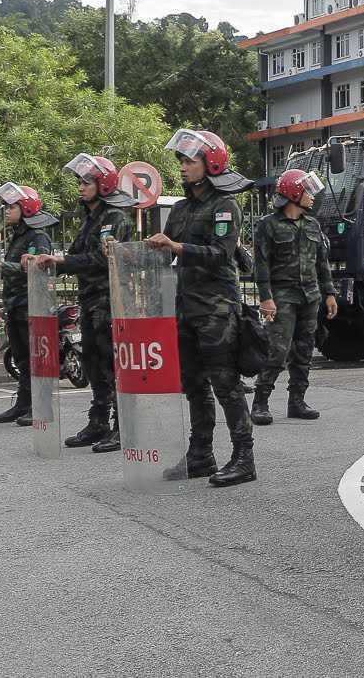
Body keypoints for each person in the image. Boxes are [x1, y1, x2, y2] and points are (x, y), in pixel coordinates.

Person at [147, 129, 256, 488]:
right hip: (186, 307)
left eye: (189, 160)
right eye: (180, 159)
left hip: (216, 309)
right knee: (193, 384)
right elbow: (167, 251)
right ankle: (201, 455)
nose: (182, 166)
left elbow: (220, 254)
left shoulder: (224, 205)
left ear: (210, 163)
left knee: (226, 384)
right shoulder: (179, 208)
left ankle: (243, 458)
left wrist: (176, 247)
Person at [31, 154, 134, 452]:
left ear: (103, 185)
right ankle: (98, 421)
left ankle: (121, 426)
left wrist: (63, 260)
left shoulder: (115, 218)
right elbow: (75, 255)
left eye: (86, 181)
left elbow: (105, 258)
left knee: (111, 363)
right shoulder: (90, 219)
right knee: (92, 361)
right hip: (90, 298)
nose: (80, 186)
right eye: (79, 181)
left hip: (110, 299)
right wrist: (48, 261)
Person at [251, 168, 339, 426]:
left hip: (310, 296)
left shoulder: (313, 224)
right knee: (277, 350)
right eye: (307, 192)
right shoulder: (268, 226)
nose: (312, 197)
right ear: (294, 193)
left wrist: (330, 293)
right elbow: (261, 265)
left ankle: (297, 401)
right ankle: (260, 402)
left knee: (304, 350)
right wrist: (266, 298)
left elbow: (322, 264)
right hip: (282, 297)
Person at [0, 185, 58, 425]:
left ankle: (40, 406)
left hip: (32, 305)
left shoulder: (38, 237)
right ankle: (23, 403)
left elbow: (37, 268)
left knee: (34, 357)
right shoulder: (18, 236)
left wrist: (1, 267)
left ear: (26, 207)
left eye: (12, 206)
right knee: (21, 358)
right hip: (16, 304)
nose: (6, 210)